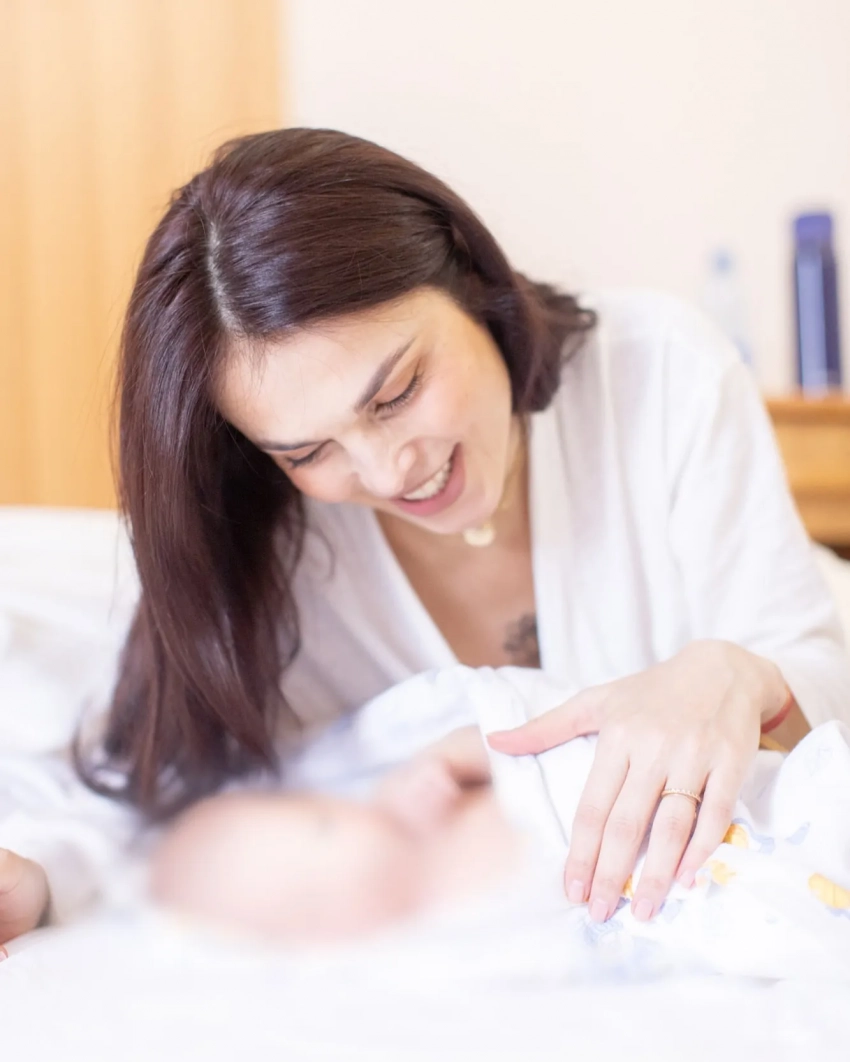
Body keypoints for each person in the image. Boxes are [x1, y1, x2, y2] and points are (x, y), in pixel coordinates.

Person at [1, 127, 849, 951]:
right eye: (308, 451)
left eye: (397, 392)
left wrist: (739, 676)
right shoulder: (269, 543)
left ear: (468, 273)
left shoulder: (658, 371)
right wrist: (33, 877)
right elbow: (152, 778)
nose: (386, 471)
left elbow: (813, 667)